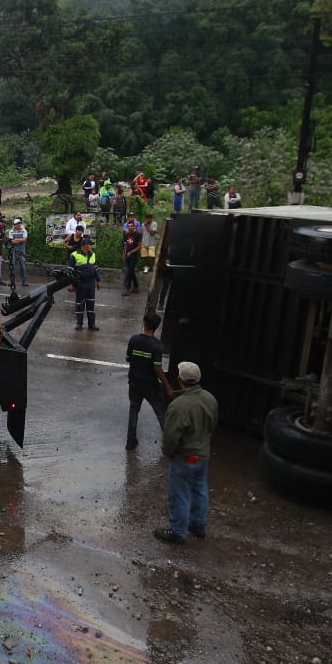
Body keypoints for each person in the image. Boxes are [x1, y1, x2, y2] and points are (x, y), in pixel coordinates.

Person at [154, 361, 219, 544]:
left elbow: (170, 436)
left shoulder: (179, 405)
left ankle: (177, 531)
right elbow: (213, 424)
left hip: (184, 457)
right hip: (202, 455)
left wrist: (168, 452)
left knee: (180, 494)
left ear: (179, 380)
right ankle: (198, 525)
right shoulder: (210, 399)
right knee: (200, 490)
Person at [126, 312, 175, 452]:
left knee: (133, 410)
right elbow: (157, 367)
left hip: (134, 383)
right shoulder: (156, 345)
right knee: (160, 412)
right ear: (157, 327)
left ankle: (130, 442)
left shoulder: (134, 340)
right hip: (150, 386)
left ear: (144, 323)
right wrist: (168, 386)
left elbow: (128, 358)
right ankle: (170, 445)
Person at [70, 235, 100, 331]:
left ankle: (91, 325)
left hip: (91, 284)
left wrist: (98, 280)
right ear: (85, 245)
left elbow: (95, 268)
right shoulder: (74, 255)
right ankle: (79, 324)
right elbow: (70, 271)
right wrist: (70, 284)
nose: (92, 246)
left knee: (91, 305)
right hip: (80, 284)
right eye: (90, 245)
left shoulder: (93, 254)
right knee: (80, 304)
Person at [121, 220, 142, 294]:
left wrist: (131, 252)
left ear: (134, 226)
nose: (130, 227)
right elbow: (126, 245)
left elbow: (139, 246)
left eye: (131, 226)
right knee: (131, 271)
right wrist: (124, 254)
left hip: (134, 256)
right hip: (128, 255)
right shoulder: (127, 234)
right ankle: (136, 287)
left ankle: (128, 289)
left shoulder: (138, 234)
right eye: (129, 226)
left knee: (129, 272)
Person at [8, 217, 29, 287]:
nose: (19, 224)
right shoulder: (11, 231)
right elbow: (12, 242)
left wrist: (16, 240)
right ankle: (12, 281)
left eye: (20, 223)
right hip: (13, 252)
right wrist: (20, 240)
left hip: (22, 252)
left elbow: (24, 240)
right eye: (17, 224)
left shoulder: (24, 231)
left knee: (23, 267)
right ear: (15, 225)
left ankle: (24, 281)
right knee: (12, 267)